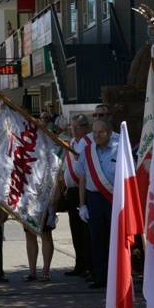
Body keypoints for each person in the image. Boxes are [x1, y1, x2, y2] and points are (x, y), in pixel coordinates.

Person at [77, 118, 119, 289]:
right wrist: (82, 205)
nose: (96, 136)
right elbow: (82, 177)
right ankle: (100, 276)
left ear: (109, 133)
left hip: (114, 199)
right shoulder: (87, 152)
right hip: (93, 199)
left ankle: (117, 277)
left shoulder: (119, 149)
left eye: (100, 132)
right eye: (94, 132)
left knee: (115, 239)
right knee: (98, 240)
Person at [62, 114, 92, 278]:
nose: (74, 130)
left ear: (86, 127)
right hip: (72, 191)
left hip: (85, 190)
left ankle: (89, 265)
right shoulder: (70, 144)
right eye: (71, 127)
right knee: (75, 230)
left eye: (77, 126)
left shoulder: (88, 143)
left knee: (86, 231)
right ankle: (79, 263)